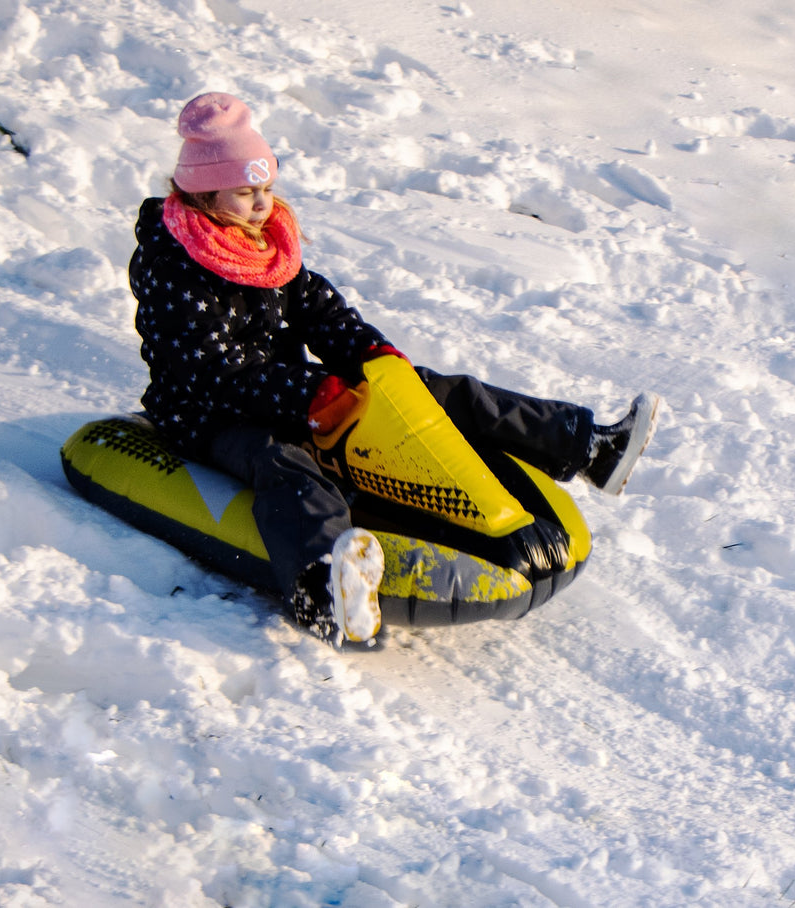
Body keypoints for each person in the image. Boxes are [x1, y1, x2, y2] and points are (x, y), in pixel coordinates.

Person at [129, 92, 659, 646]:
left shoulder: (260, 243)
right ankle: (323, 589)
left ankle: (588, 447)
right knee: (283, 465)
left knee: (434, 390)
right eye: (245, 193)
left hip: (287, 391)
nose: (263, 203)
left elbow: (319, 310)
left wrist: (373, 359)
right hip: (206, 411)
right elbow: (212, 370)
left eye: (266, 188)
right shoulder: (174, 265)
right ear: (203, 193)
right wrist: (308, 392)